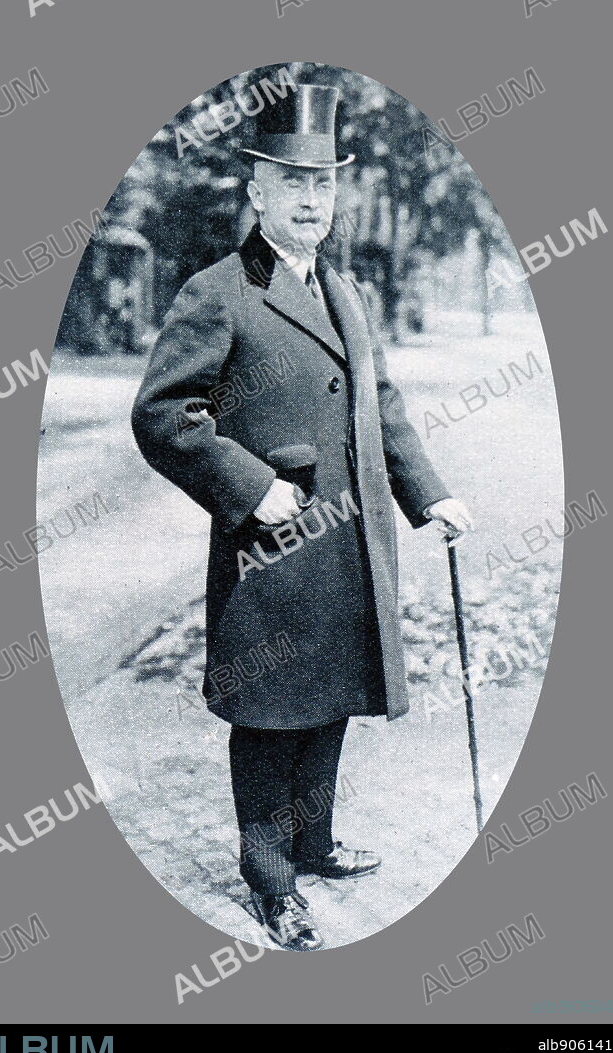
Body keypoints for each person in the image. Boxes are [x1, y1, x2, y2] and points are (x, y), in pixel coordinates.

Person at [131, 82, 473, 950]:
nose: (312, 200)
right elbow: (164, 414)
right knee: (268, 714)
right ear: (257, 189)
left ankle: (313, 842)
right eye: (293, 182)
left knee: (329, 700)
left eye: (323, 183)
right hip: (270, 548)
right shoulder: (217, 292)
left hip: (348, 542)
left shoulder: (346, 291)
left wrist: (430, 493)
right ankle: (270, 879)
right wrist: (249, 487)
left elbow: (381, 404)